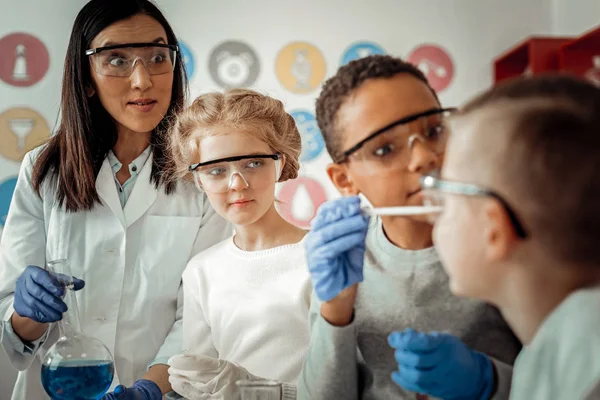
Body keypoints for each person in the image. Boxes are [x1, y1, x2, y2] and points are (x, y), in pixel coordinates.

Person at [0, 1, 230, 399]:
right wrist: (27, 313)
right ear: (86, 77)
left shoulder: (202, 173)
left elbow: (201, 315)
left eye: (158, 57)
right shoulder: (43, 169)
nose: (142, 80)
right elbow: (14, 329)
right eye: (117, 60)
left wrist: (150, 389)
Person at [297, 55, 521, 400]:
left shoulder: (507, 237)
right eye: (385, 149)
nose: (424, 158)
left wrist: (490, 382)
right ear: (344, 179)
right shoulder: (343, 262)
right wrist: (335, 310)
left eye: (434, 131)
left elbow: (572, 381)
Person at [423, 74, 600, 400]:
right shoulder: (553, 352)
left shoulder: (587, 374)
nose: (433, 214)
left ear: (494, 229)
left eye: (445, 199)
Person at [165, 89, 311, 400]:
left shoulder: (321, 259)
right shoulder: (200, 271)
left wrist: (268, 394)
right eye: (217, 170)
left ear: (280, 163)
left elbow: (350, 381)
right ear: (198, 180)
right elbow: (199, 386)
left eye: (254, 163)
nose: (237, 184)